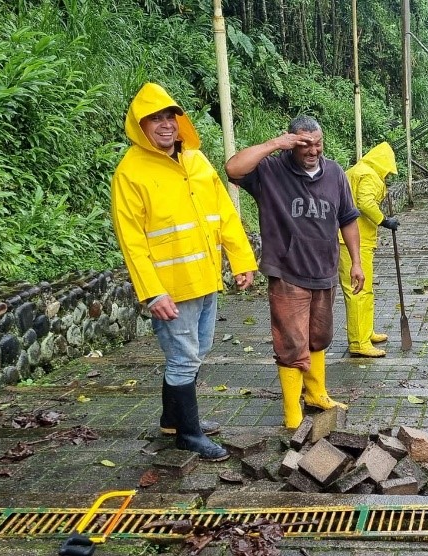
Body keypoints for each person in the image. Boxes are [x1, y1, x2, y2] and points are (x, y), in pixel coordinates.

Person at [110, 82, 257, 462]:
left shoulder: (196, 161)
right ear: (139, 127)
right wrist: (152, 292)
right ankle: (188, 435)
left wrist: (241, 259)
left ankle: (172, 420)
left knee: (196, 350)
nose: (164, 125)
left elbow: (224, 212)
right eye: (153, 119)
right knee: (184, 356)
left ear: (180, 122)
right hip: (171, 288)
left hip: (205, 277)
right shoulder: (131, 172)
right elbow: (132, 240)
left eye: (169, 117)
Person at [226, 116, 364, 429]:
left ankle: (316, 394)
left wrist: (355, 261)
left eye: (317, 143)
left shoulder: (335, 174)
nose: (313, 150)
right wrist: (275, 144)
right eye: (304, 144)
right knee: (291, 342)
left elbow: (348, 219)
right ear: (291, 143)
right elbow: (233, 169)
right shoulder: (271, 171)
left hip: (325, 270)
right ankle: (292, 413)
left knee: (320, 336)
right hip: (287, 272)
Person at [338, 142, 400, 357]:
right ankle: (358, 342)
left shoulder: (356, 170)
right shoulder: (370, 175)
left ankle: (366, 331)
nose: (388, 175)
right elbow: (365, 203)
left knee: (366, 288)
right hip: (354, 240)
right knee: (357, 290)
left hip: (351, 238)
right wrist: (384, 221)